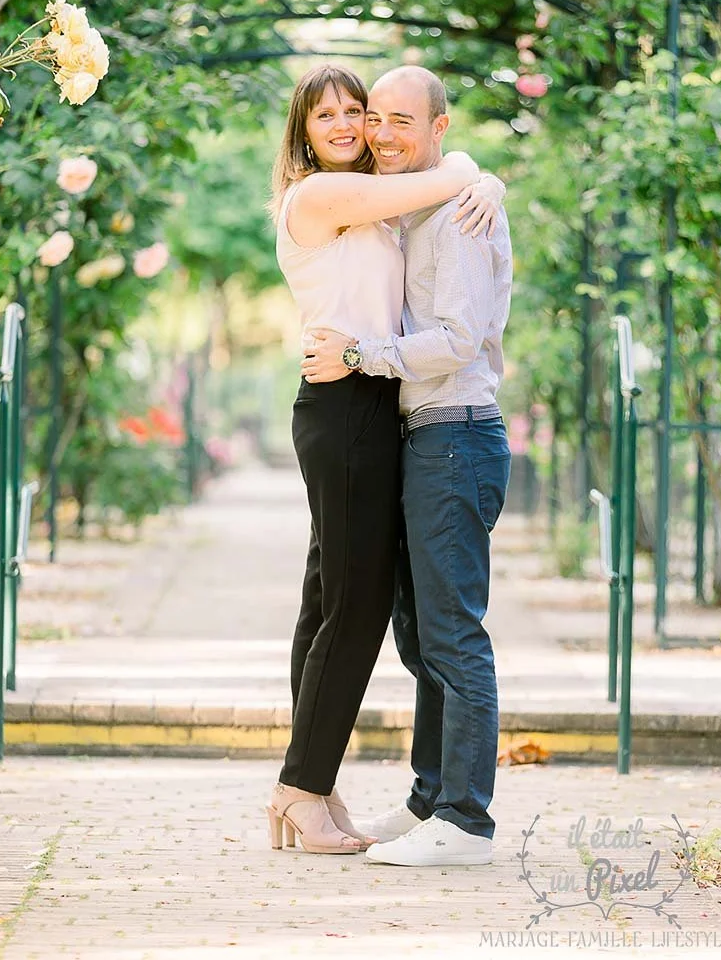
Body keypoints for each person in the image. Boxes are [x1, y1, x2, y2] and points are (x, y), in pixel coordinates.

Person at [266, 64, 506, 855]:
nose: (350, 126)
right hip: (345, 403)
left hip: (384, 402)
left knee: (329, 601)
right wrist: (474, 171)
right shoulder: (318, 196)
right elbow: (445, 173)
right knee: (355, 606)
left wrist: (484, 184)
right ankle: (304, 787)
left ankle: (312, 784)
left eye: (358, 111)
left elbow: (440, 188)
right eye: (328, 114)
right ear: (303, 130)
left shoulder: (384, 200)